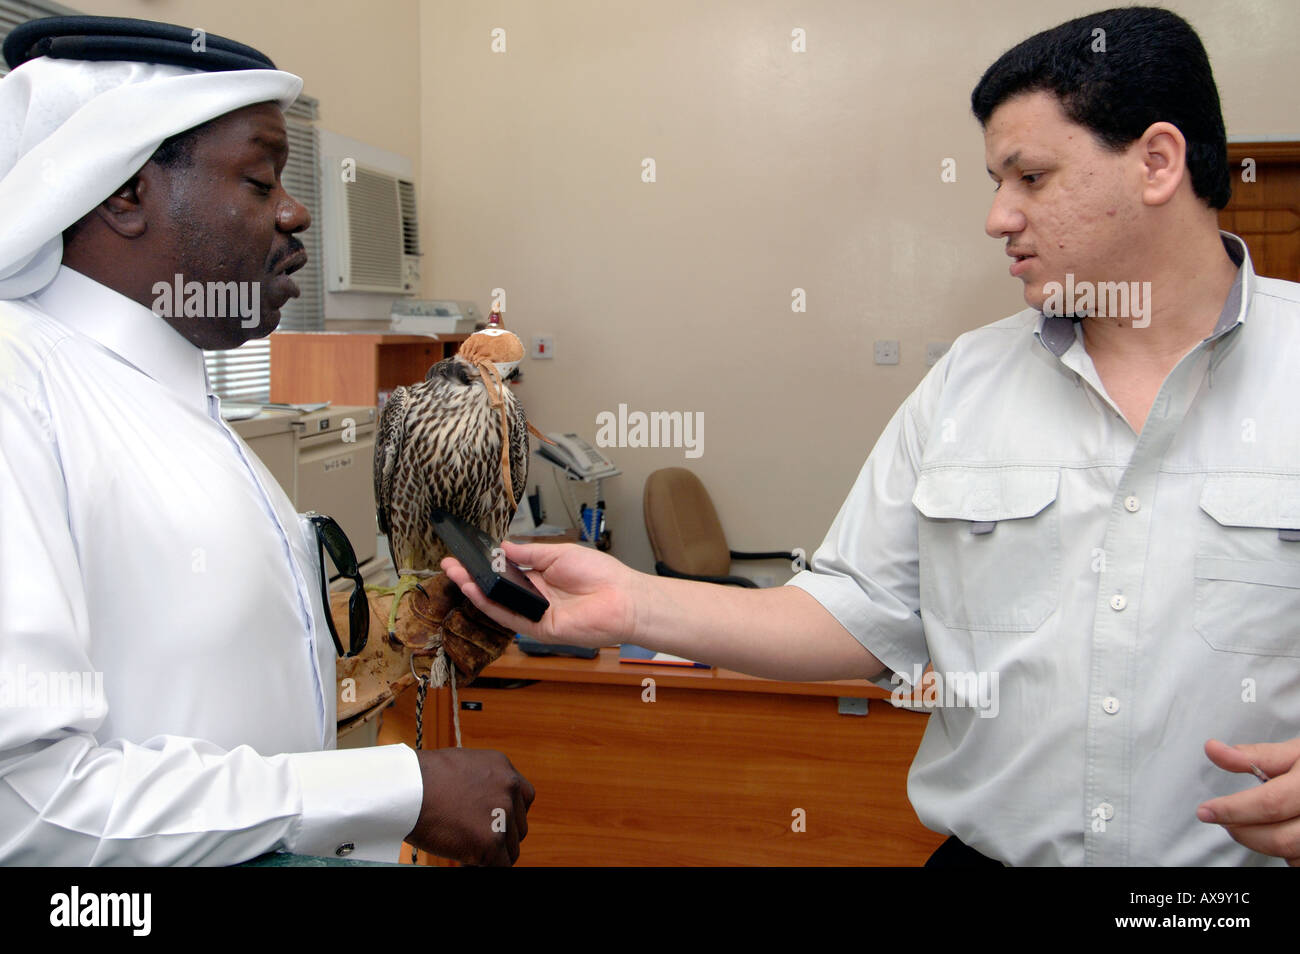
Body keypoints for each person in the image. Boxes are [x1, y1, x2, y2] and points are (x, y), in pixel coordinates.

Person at [444, 6, 1300, 866]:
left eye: (1030, 177)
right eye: (995, 182)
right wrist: (631, 603)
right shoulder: (969, 382)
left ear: (1157, 162)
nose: (999, 217)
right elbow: (859, 611)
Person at [0, 16, 532, 866]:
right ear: (123, 193)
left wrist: (401, 637)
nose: (296, 211)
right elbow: (27, 808)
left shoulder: (173, 397)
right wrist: (399, 792)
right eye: (260, 179)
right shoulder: (19, 390)